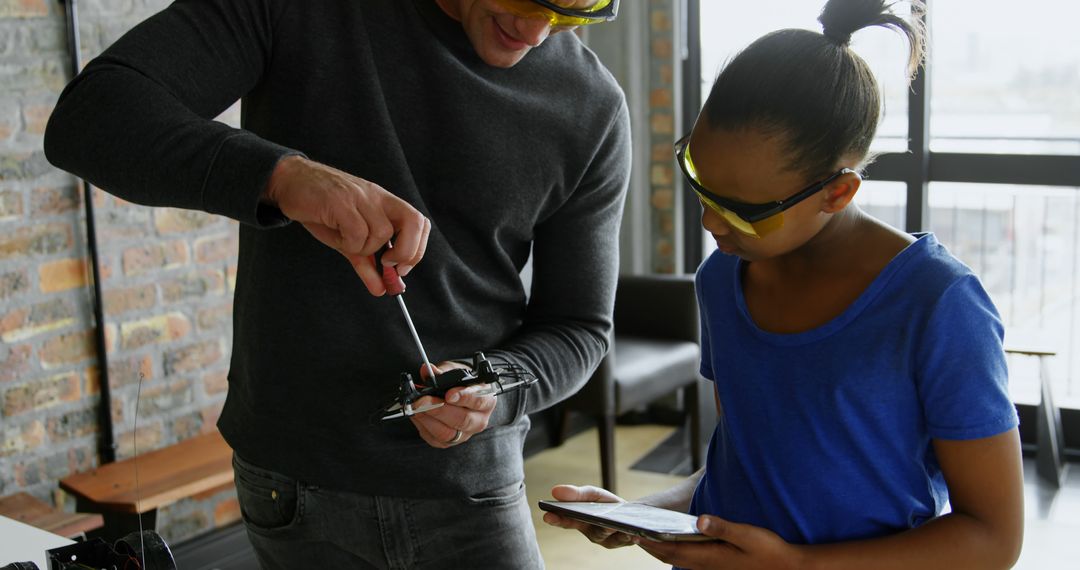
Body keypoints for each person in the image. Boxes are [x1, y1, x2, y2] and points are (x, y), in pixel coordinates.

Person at [44, 0, 630, 568]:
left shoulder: (592, 107)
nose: (535, 31)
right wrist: (280, 177)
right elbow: (90, 116)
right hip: (288, 485)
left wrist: (495, 390)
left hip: (467, 490)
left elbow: (579, 328)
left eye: (569, 13)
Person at [544, 0, 1026, 568]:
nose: (710, 223)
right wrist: (645, 514)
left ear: (837, 193)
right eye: (698, 179)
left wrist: (799, 566)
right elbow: (743, 467)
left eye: (743, 210)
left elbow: (993, 538)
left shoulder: (938, 304)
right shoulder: (723, 278)